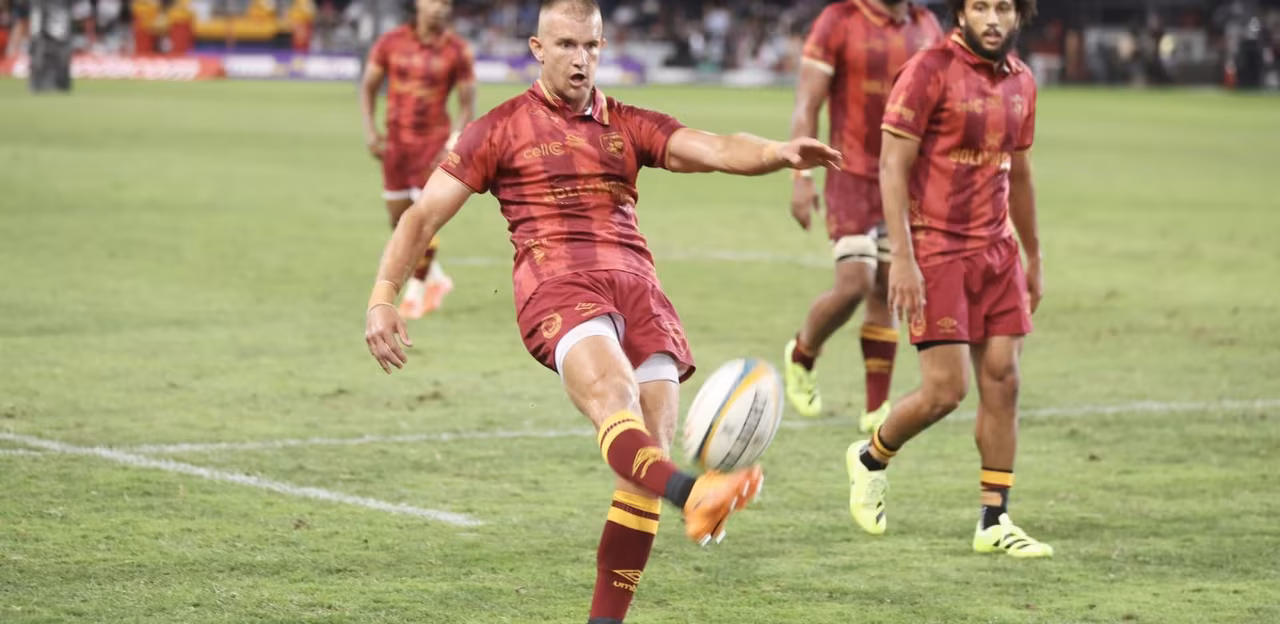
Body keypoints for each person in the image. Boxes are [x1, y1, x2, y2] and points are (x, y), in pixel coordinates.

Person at [364, 1, 841, 620]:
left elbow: (714, 147)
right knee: (616, 397)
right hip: (557, 282)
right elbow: (422, 216)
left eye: (590, 46)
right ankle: (692, 493)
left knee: (645, 462)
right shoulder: (498, 129)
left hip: (638, 289)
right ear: (538, 49)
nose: (580, 59)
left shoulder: (629, 123)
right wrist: (383, 295)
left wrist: (778, 152)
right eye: (566, 45)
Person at [845, 0, 1053, 558]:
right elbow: (892, 166)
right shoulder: (928, 70)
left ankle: (994, 520)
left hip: (997, 251)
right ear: (961, 13)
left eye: (1003, 8)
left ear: (1019, 15)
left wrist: (1034, 255)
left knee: (1004, 379)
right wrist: (903, 258)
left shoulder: (1023, 81)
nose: (993, 19)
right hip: (936, 249)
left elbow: (1021, 174)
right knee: (946, 391)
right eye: (980, 6)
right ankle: (870, 458)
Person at [782, 0, 942, 431]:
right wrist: (801, 177)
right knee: (855, 282)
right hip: (849, 173)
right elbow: (807, 103)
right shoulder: (840, 20)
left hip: (904, 177)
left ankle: (876, 408)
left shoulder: (926, 25)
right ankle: (802, 352)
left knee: (887, 285)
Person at [359, 0, 475, 319]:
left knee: (423, 219)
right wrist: (371, 132)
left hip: (433, 147)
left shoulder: (457, 50)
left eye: (446, 3)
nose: (440, 8)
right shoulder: (390, 42)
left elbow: (467, 104)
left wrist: (452, 143)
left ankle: (416, 291)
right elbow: (368, 87)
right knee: (399, 222)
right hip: (396, 147)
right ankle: (437, 279)